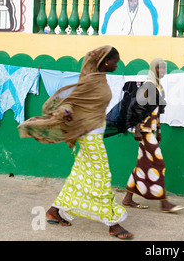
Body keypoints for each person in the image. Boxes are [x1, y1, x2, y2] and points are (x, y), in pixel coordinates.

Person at [18, 45, 133, 239]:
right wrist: (66, 111)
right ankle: (113, 223)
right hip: (88, 134)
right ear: (105, 61)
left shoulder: (99, 78)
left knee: (80, 175)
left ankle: (54, 211)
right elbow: (71, 100)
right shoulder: (90, 81)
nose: (117, 64)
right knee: (102, 175)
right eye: (115, 60)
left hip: (95, 132)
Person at [122, 58, 184, 213]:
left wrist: (159, 131)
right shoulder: (149, 86)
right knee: (159, 164)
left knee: (142, 164)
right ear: (152, 69)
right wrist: (137, 129)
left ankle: (127, 198)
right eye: (159, 68)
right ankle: (164, 203)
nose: (162, 71)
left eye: (164, 68)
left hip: (150, 130)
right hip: (143, 130)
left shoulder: (157, 86)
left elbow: (155, 112)